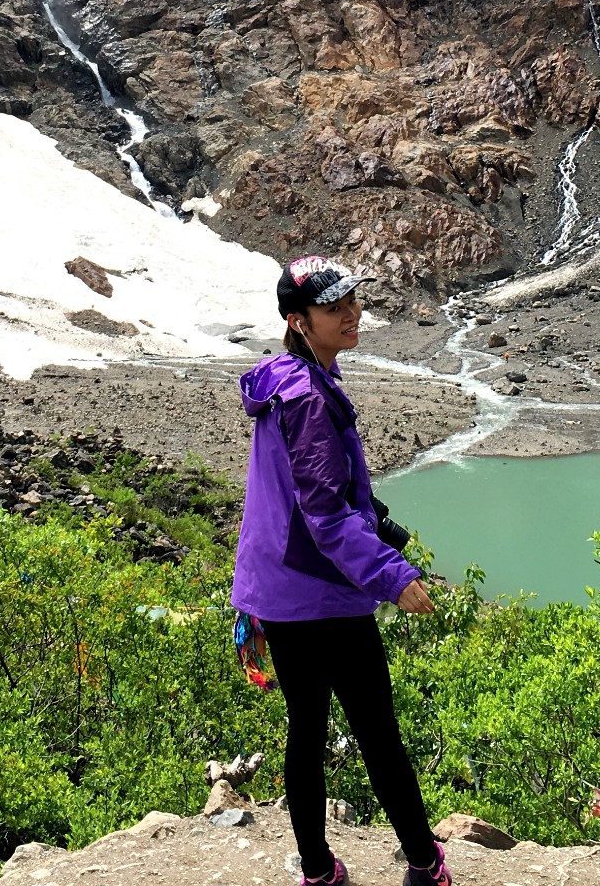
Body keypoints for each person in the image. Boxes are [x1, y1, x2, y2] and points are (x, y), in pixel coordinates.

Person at [232, 255, 449, 886]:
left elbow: (302, 497)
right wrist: (392, 574)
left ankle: (319, 872)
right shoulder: (309, 399)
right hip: (322, 589)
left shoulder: (285, 379)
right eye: (334, 308)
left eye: (353, 300)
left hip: (277, 587)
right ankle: (424, 863)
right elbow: (325, 515)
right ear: (300, 322)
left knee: (307, 729)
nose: (352, 313)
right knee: (377, 732)